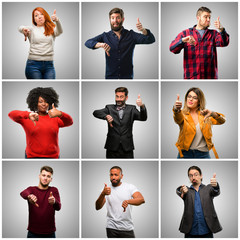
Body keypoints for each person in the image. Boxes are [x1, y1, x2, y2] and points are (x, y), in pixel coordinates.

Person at [85, 7, 155, 79]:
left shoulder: (131, 35)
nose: (115, 21)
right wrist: (101, 44)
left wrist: (143, 30)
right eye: (112, 18)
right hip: (110, 78)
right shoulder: (105, 36)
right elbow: (88, 42)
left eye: (118, 18)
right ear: (110, 20)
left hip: (127, 77)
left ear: (122, 19)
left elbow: (151, 39)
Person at [8, 87, 73, 158]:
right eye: (40, 102)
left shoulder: (55, 118)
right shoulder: (28, 118)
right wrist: (28, 114)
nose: (44, 104)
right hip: (32, 156)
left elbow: (69, 122)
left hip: (53, 156)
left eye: (46, 101)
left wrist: (60, 114)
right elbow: (11, 114)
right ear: (35, 103)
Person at [169, 6, 229, 79]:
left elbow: (225, 42)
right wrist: (183, 40)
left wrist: (221, 29)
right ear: (198, 18)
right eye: (205, 17)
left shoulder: (213, 34)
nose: (208, 19)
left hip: (210, 78)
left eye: (209, 17)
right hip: (191, 77)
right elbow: (172, 49)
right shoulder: (186, 33)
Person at [93, 87, 147, 158]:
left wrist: (142, 106)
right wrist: (106, 116)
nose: (118, 99)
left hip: (127, 147)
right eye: (117, 96)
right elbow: (95, 112)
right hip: (112, 147)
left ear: (126, 98)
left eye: (121, 97)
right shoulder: (109, 108)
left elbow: (143, 118)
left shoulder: (132, 109)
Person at [173, 87, 225, 158]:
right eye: (189, 96)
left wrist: (213, 114)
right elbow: (177, 119)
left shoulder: (206, 114)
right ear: (186, 99)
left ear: (199, 101)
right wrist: (176, 109)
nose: (191, 99)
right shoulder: (182, 114)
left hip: (203, 154)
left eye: (195, 98)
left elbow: (222, 121)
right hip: (185, 153)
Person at [96, 166, 145, 238]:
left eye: (116, 175)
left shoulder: (129, 187)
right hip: (111, 227)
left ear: (121, 176)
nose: (113, 177)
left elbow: (141, 199)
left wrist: (128, 201)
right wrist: (103, 194)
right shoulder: (106, 190)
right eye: (111, 175)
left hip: (127, 227)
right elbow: (97, 207)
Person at [176, 166, 222, 238]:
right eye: (190, 176)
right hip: (190, 231)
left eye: (196, 174)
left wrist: (216, 186)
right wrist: (182, 190)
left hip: (207, 229)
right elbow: (179, 191)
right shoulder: (187, 190)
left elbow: (216, 192)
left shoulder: (208, 188)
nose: (193, 177)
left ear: (201, 176)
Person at [19, 7, 63, 79]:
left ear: (45, 16)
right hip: (33, 65)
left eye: (41, 14)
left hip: (49, 65)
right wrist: (23, 29)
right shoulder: (31, 29)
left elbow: (60, 31)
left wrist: (57, 21)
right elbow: (20, 27)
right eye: (36, 15)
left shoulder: (51, 29)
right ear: (34, 20)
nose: (39, 17)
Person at [20, 166, 61, 238]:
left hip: (50, 233)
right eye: (43, 175)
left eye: (48, 176)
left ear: (51, 179)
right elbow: (23, 193)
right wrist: (29, 196)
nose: (45, 178)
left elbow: (58, 207)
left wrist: (54, 201)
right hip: (33, 233)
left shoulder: (54, 190)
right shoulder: (32, 189)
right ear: (39, 176)